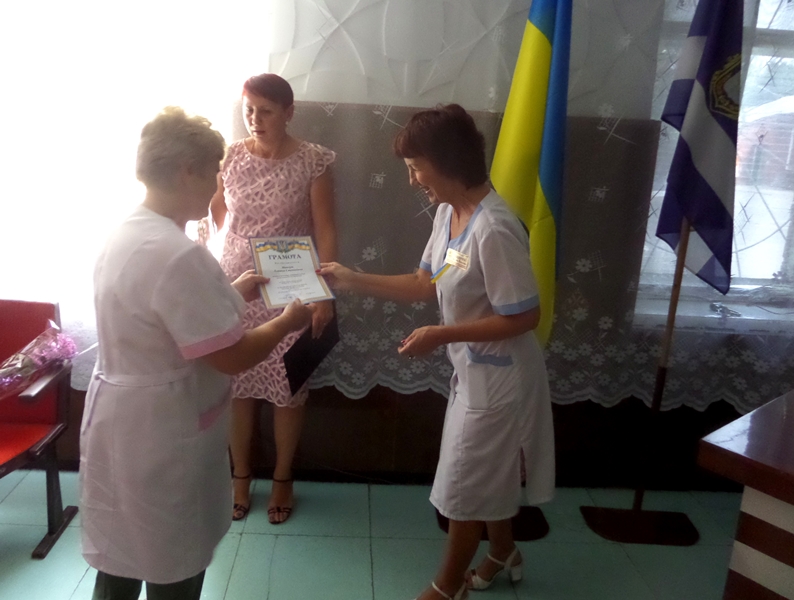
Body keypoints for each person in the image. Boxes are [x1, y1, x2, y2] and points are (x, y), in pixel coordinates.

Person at [319, 104, 555, 600]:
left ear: (447, 161)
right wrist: (351, 278)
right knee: (484, 472)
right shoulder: (449, 214)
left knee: (465, 482)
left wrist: (441, 335)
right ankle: (503, 551)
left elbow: (524, 316)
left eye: (415, 168)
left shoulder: (494, 229)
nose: (412, 180)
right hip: (474, 372)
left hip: (501, 381)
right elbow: (423, 284)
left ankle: (447, 588)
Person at [80, 106, 314, 600]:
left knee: (122, 552)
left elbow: (163, 314)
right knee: (175, 559)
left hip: (121, 419)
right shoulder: (178, 253)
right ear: (188, 171)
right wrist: (286, 322)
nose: (215, 187)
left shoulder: (127, 231)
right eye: (212, 174)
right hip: (165, 431)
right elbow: (231, 356)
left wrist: (233, 290)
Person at [210, 73, 337, 524]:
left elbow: (326, 230)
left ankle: (283, 478)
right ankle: (239, 477)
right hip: (237, 283)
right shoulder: (229, 156)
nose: (255, 119)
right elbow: (217, 213)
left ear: (288, 112)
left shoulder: (313, 160)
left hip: (291, 284)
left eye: (265, 111)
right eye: (249, 110)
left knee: (288, 388)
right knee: (238, 384)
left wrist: (325, 293)